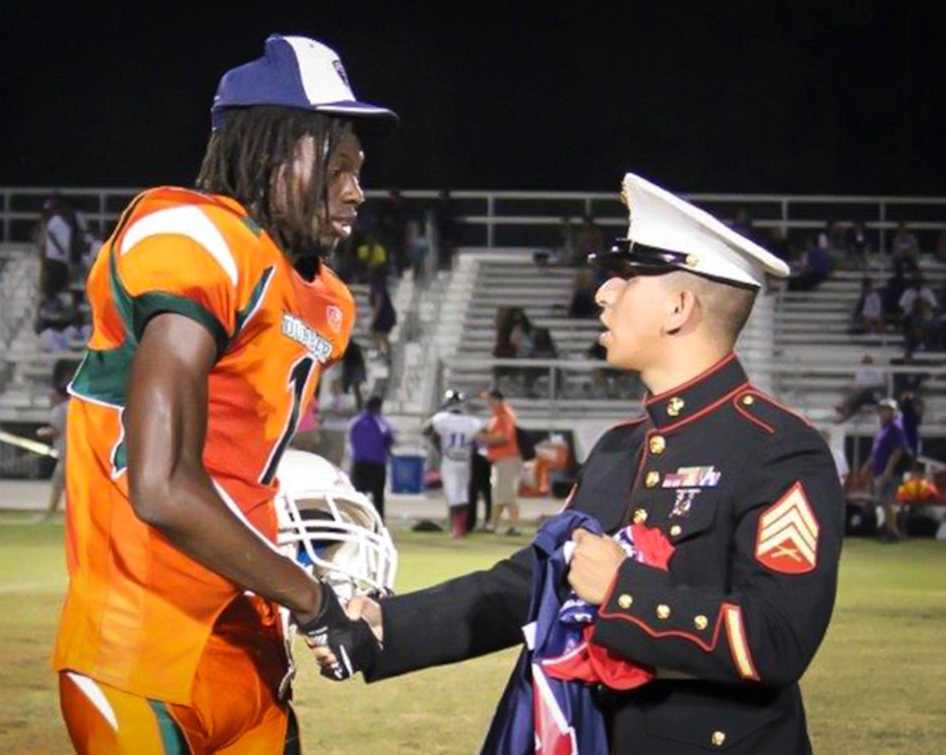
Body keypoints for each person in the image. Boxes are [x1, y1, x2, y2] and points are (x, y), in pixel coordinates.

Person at [319, 173, 844, 755]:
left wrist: (622, 590)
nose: (603, 294)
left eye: (627, 278)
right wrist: (386, 625)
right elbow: (528, 583)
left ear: (678, 307)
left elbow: (776, 640)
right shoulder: (621, 447)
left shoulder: (777, 448)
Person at [50, 33, 395, 753]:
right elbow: (162, 482)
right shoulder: (195, 236)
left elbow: (239, 459)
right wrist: (313, 598)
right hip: (141, 642)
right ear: (270, 155)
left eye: (359, 171)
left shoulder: (326, 302)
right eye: (336, 167)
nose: (357, 191)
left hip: (248, 642)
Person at [426, 390, 484, 538]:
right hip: (464, 460)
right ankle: (459, 526)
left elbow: (429, 433)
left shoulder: (441, 419)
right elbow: (482, 439)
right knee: (463, 493)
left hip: (449, 460)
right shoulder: (472, 422)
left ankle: (456, 528)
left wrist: (440, 450)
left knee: (453, 494)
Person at [859, 398, 910, 543]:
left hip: (890, 471)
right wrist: (867, 465)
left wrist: (888, 470)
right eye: (882, 410)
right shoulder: (883, 429)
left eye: (887, 410)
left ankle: (892, 531)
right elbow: (876, 451)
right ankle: (889, 529)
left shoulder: (895, 428)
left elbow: (897, 451)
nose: (884, 413)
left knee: (887, 500)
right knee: (883, 500)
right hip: (879, 469)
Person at [477, 388, 523, 536]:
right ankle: (492, 525)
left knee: (507, 495)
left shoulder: (504, 416)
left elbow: (504, 438)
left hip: (507, 459)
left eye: (490, 400)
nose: (488, 404)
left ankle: (514, 526)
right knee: (499, 494)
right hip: (501, 459)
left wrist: (484, 438)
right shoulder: (499, 416)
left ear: (497, 400)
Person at [346, 394, 394, 518]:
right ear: (378, 407)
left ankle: (357, 518)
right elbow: (388, 440)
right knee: (378, 495)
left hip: (359, 462)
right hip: (377, 462)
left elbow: (351, 438)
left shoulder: (355, 421)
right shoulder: (381, 422)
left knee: (358, 494)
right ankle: (379, 520)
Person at [37, 386, 69, 522]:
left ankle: (50, 515)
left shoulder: (59, 409)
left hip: (67, 456)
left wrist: (41, 432)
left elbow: (55, 431)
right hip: (78, 453)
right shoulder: (75, 406)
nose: (50, 399)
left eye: (53, 396)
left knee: (58, 485)